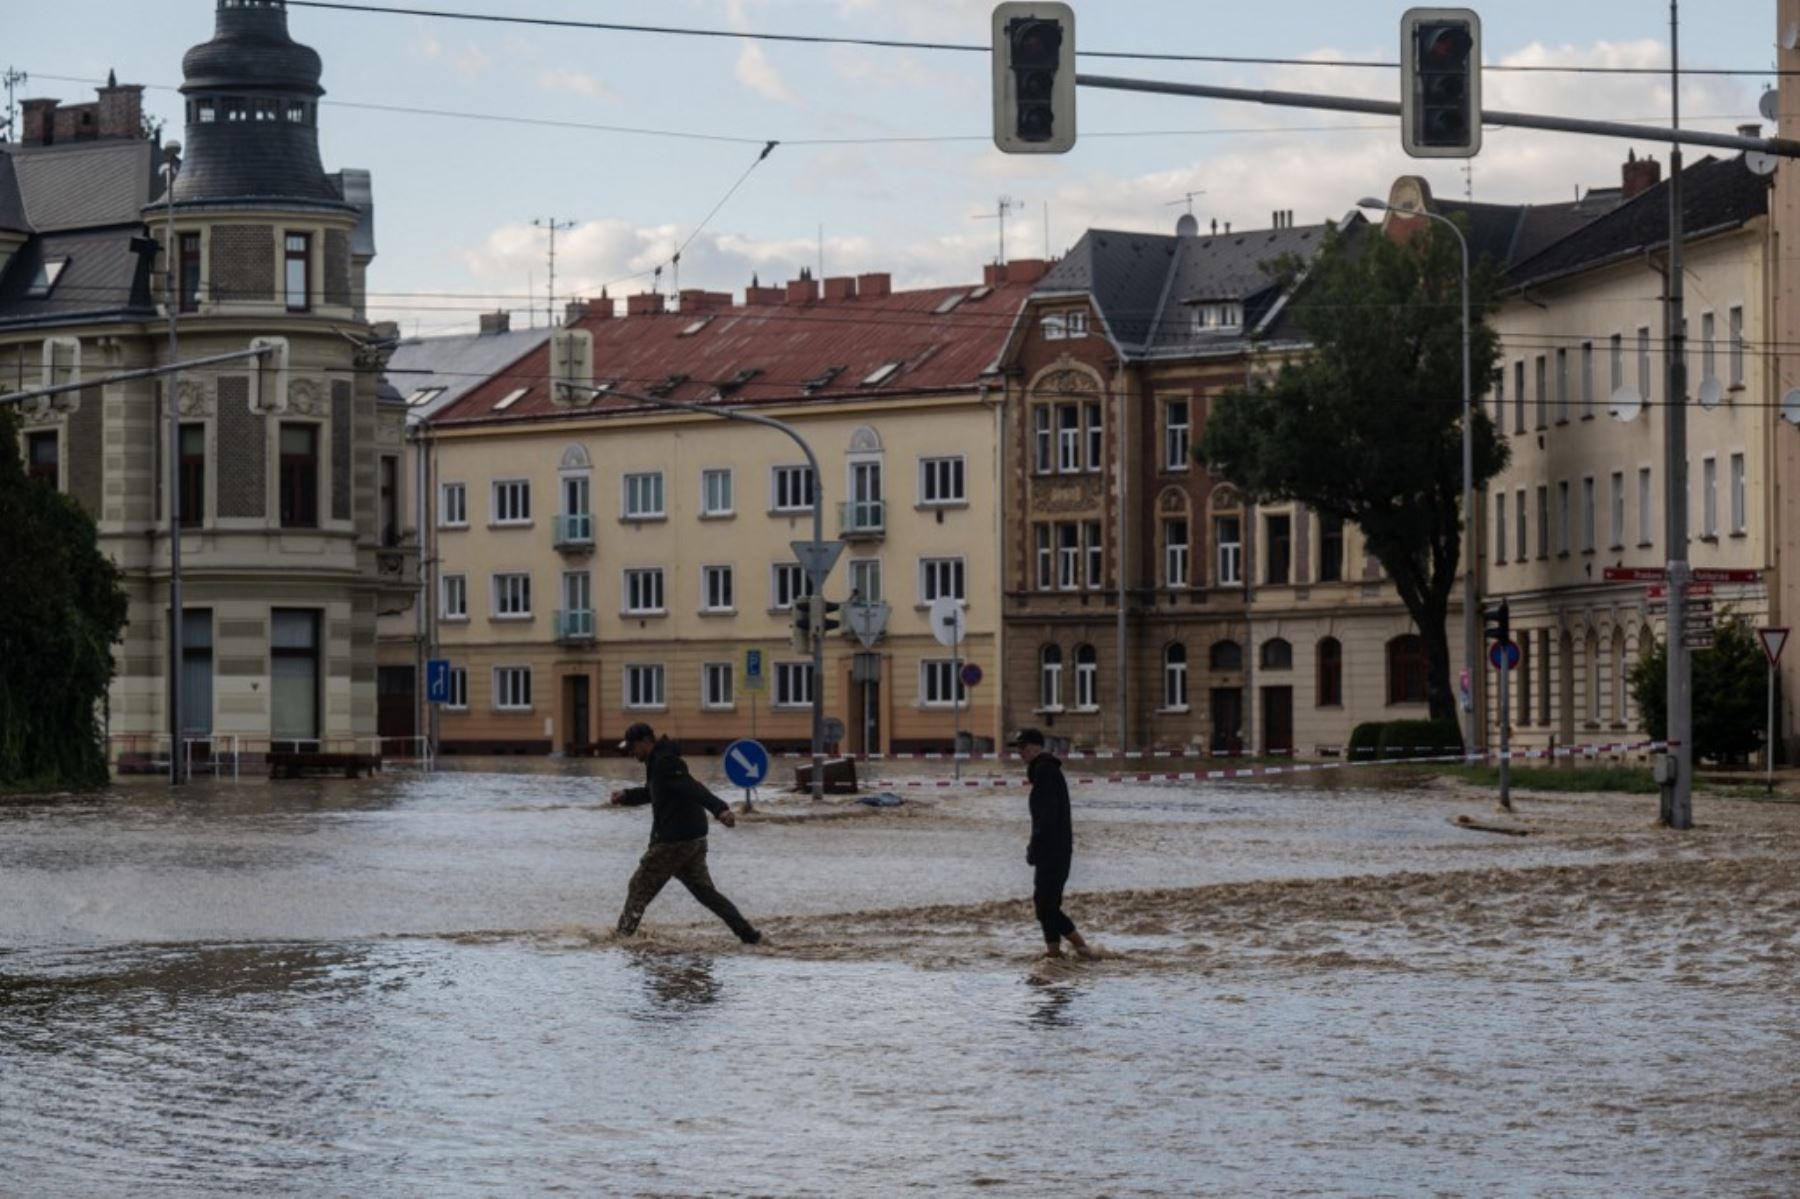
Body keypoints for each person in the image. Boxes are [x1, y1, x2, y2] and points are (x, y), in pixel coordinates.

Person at [610, 722, 762, 945]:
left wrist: (720, 809)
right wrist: (626, 796)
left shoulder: (665, 762)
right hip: (692, 841)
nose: (631, 753)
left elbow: (692, 787)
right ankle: (750, 936)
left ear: (645, 742)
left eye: (632, 747)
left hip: (674, 843)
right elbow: (654, 792)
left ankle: (621, 940)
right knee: (707, 894)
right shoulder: (658, 761)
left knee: (638, 887)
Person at [1015, 727, 1094, 960]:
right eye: (1018, 747)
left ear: (1037, 747)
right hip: (1056, 849)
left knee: (1045, 907)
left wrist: (1035, 846)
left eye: (1024, 746)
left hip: (1053, 850)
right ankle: (1054, 954)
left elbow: (1046, 816)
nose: (1020, 752)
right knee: (1046, 904)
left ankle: (1084, 950)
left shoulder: (1045, 771)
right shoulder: (1044, 770)